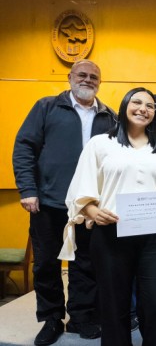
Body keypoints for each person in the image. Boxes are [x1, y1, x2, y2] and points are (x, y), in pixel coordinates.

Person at [61, 87, 156, 346]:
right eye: (137, 102)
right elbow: (80, 191)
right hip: (111, 235)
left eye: (150, 105)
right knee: (114, 305)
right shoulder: (100, 143)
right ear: (124, 105)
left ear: (154, 113)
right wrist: (94, 212)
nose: (143, 108)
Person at [13, 59, 115, 345]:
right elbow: (24, 147)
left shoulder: (109, 116)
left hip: (88, 206)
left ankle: (81, 317)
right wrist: (27, 189)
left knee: (87, 263)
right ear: (70, 77)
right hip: (49, 202)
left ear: (100, 82)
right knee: (46, 263)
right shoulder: (46, 107)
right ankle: (51, 318)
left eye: (94, 76)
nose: (87, 80)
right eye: (82, 74)